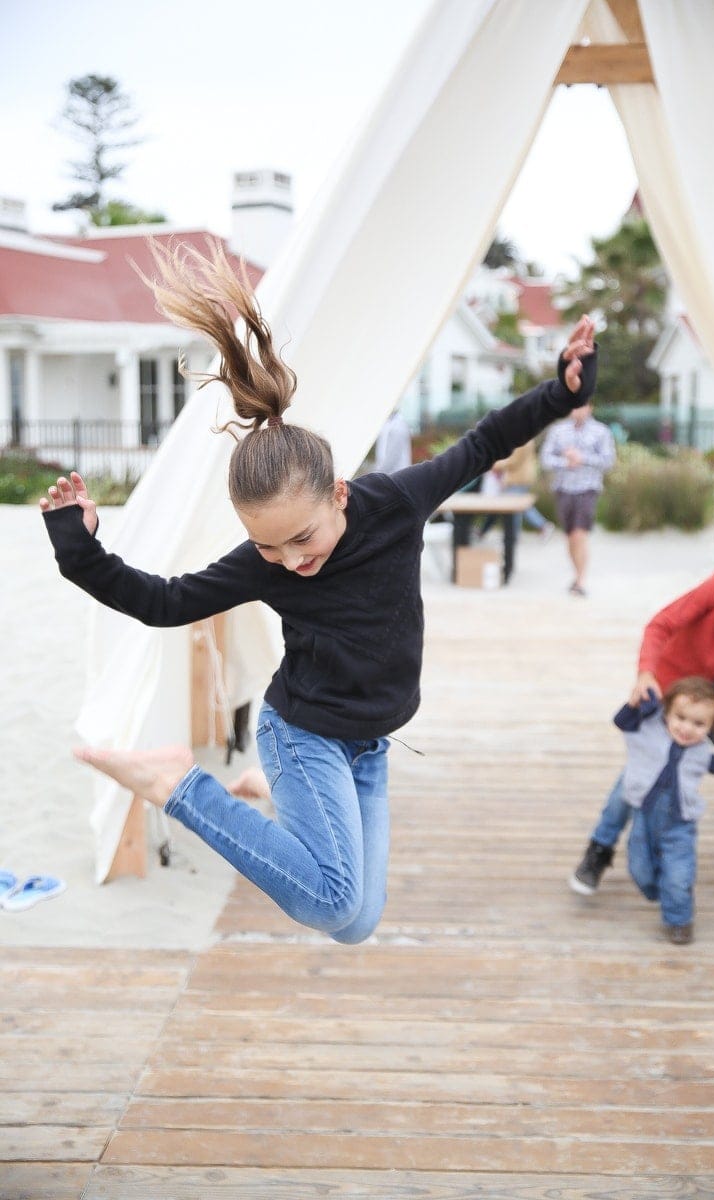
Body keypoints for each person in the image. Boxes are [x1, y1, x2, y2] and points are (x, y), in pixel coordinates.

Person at [40, 239, 597, 946]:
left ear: (339, 495)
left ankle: (271, 797)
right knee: (332, 902)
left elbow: (484, 443)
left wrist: (565, 393)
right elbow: (165, 601)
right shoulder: (264, 563)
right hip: (303, 734)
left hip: (370, 742)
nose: (287, 560)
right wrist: (77, 546)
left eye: (301, 538)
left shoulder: (397, 501)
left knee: (358, 922)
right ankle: (176, 783)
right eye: (268, 545)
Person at [570, 531, 714, 904]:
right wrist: (647, 672)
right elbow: (661, 625)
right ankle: (600, 848)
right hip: (680, 697)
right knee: (644, 771)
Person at [607, 677, 714, 945]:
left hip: (680, 826)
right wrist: (633, 705)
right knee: (639, 868)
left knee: (678, 876)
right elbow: (622, 722)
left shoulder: (702, 753)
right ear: (667, 712)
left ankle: (679, 920)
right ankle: (661, 891)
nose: (687, 729)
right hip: (644, 819)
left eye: (699, 724)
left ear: (712, 728)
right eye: (681, 717)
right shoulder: (647, 733)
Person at [539, 401, 616, 596]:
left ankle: (581, 580)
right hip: (563, 489)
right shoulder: (558, 431)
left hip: (587, 489)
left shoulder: (601, 432)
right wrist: (566, 462)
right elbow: (545, 459)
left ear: (590, 407)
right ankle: (577, 574)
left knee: (579, 535)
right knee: (570, 537)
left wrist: (583, 459)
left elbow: (608, 461)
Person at [477, 441, 555, 541]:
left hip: (519, 478)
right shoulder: (525, 437)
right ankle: (518, 532)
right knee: (519, 506)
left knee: (517, 506)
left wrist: (494, 464)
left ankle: (540, 526)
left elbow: (513, 461)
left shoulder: (522, 439)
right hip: (520, 477)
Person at [374, 409, 412, 474]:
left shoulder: (398, 426)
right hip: (387, 473)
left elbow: (393, 455)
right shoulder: (387, 423)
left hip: (396, 473)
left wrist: (377, 473)